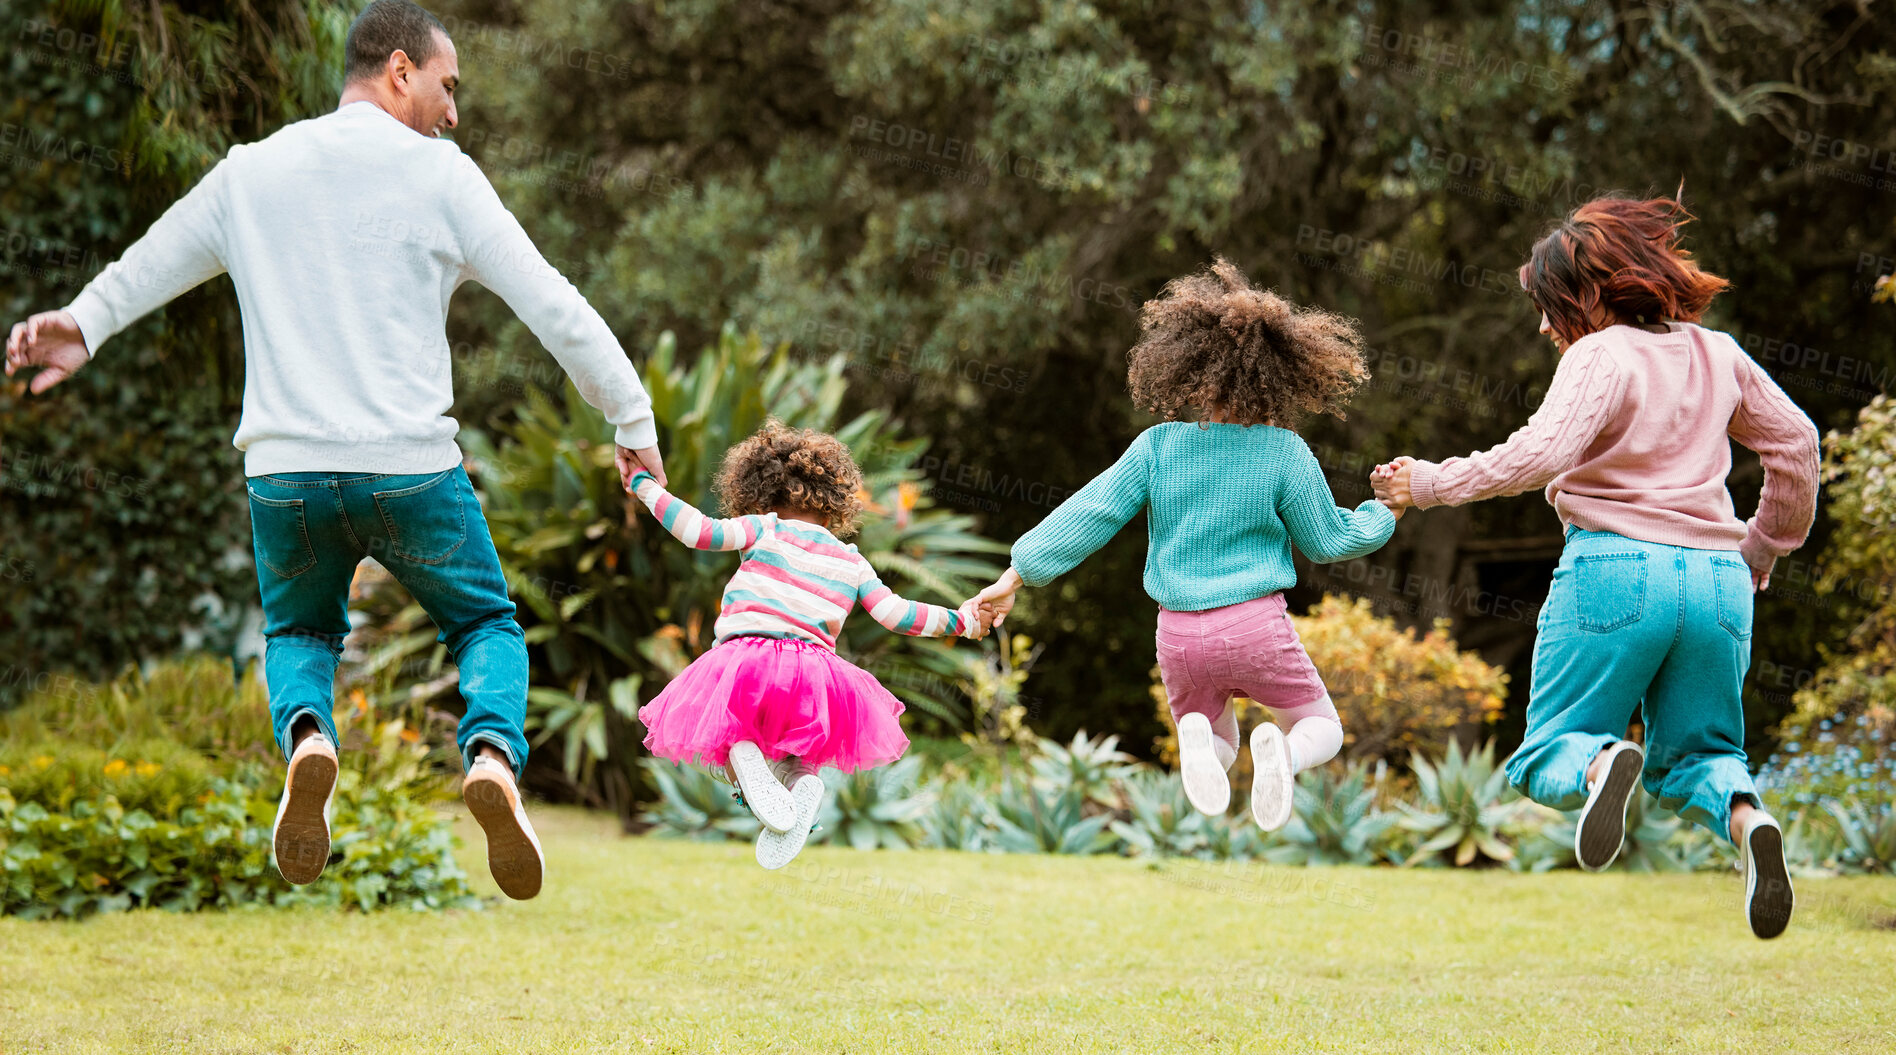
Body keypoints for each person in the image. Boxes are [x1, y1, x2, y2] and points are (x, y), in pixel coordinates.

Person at [3, 0, 667, 901]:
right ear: (400, 70)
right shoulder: (443, 177)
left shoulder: (252, 172)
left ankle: (311, 739)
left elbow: (157, 258)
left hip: (285, 476)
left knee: (301, 629)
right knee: (484, 624)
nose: (454, 111)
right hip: (411, 471)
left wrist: (81, 323)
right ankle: (491, 757)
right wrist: (631, 418)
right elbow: (554, 304)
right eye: (447, 85)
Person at [1370, 195, 1820, 939]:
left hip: (1615, 569)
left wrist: (1425, 482)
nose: (1545, 325)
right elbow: (1798, 445)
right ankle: (1750, 820)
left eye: (1551, 306)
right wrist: (1763, 546)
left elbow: (1540, 454)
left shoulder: (1600, 354)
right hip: (1718, 582)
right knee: (1706, 754)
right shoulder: (1721, 354)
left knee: (1551, 744)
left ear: (1588, 295)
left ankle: (1601, 761)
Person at [972, 259, 1400, 831]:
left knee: (1213, 739)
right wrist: (1385, 511)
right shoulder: (1284, 451)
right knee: (1322, 726)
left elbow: (1088, 513)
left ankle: (1200, 743)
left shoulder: (1157, 446)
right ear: (1282, 376)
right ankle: (1286, 755)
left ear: (1189, 373)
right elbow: (1329, 541)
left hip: (1177, 633)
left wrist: (1015, 575)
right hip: (1254, 626)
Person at [627, 421, 985, 869]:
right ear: (835, 503)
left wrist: (642, 483)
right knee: (800, 758)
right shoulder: (852, 560)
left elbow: (697, 531)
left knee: (735, 742)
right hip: (815, 675)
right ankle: (801, 785)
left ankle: (744, 762)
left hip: (746, 660)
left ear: (761, 490)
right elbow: (898, 615)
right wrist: (963, 620)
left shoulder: (766, 529)